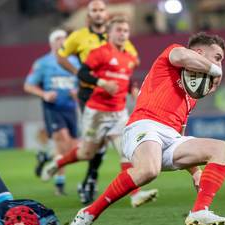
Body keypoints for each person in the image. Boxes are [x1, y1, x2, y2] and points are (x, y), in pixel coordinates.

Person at [70, 32, 225, 225]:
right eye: (217, 58)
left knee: (223, 150)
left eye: (220, 61)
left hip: (171, 139)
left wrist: (196, 172)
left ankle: (199, 211)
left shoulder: (193, 93)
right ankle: (89, 213)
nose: (219, 64)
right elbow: (182, 56)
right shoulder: (173, 53)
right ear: (198, 52)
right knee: (148, 171)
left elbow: (180, 134)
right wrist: (216, 71)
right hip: (144, 126)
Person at [40, 16, 158, 208]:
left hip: (119, 113)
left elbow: (126, 81)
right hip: (96, 112)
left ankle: (135, 195)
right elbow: (83, 73)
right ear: (109, 33)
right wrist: (102, 83)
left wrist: (137, 96)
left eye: (125, 31)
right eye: (118, 30)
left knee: (127, 153)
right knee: (86, 153)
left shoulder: (128, 57)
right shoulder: (99, 53)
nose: (122, 34)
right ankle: (58, 163)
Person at [52, 0, 140, 204]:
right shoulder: (78, 36)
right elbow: (61, 57)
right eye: (94, 10)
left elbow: (133, 60)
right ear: (88, 15)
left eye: (102, 10)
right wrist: (79, 74)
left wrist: (126, 82)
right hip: (89, 94)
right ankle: (90, 179)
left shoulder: (118, 37)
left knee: (107, 143)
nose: (99, 13)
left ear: (106, 14)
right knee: (96, 144)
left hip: (113, 97)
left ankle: (90, 179)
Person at [24, 29, 80, 195]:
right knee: (62, 140)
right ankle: (60, 185)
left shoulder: (74, 62)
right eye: (58, 39)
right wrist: (44, 94)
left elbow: (82, 83)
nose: (61, 41)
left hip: (70, 109)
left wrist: (77, 91)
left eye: (64, 38)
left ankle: (47, 158)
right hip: (53, 109)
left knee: (70, 149)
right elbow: (28, 86)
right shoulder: (42, 63)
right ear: (51, 43)